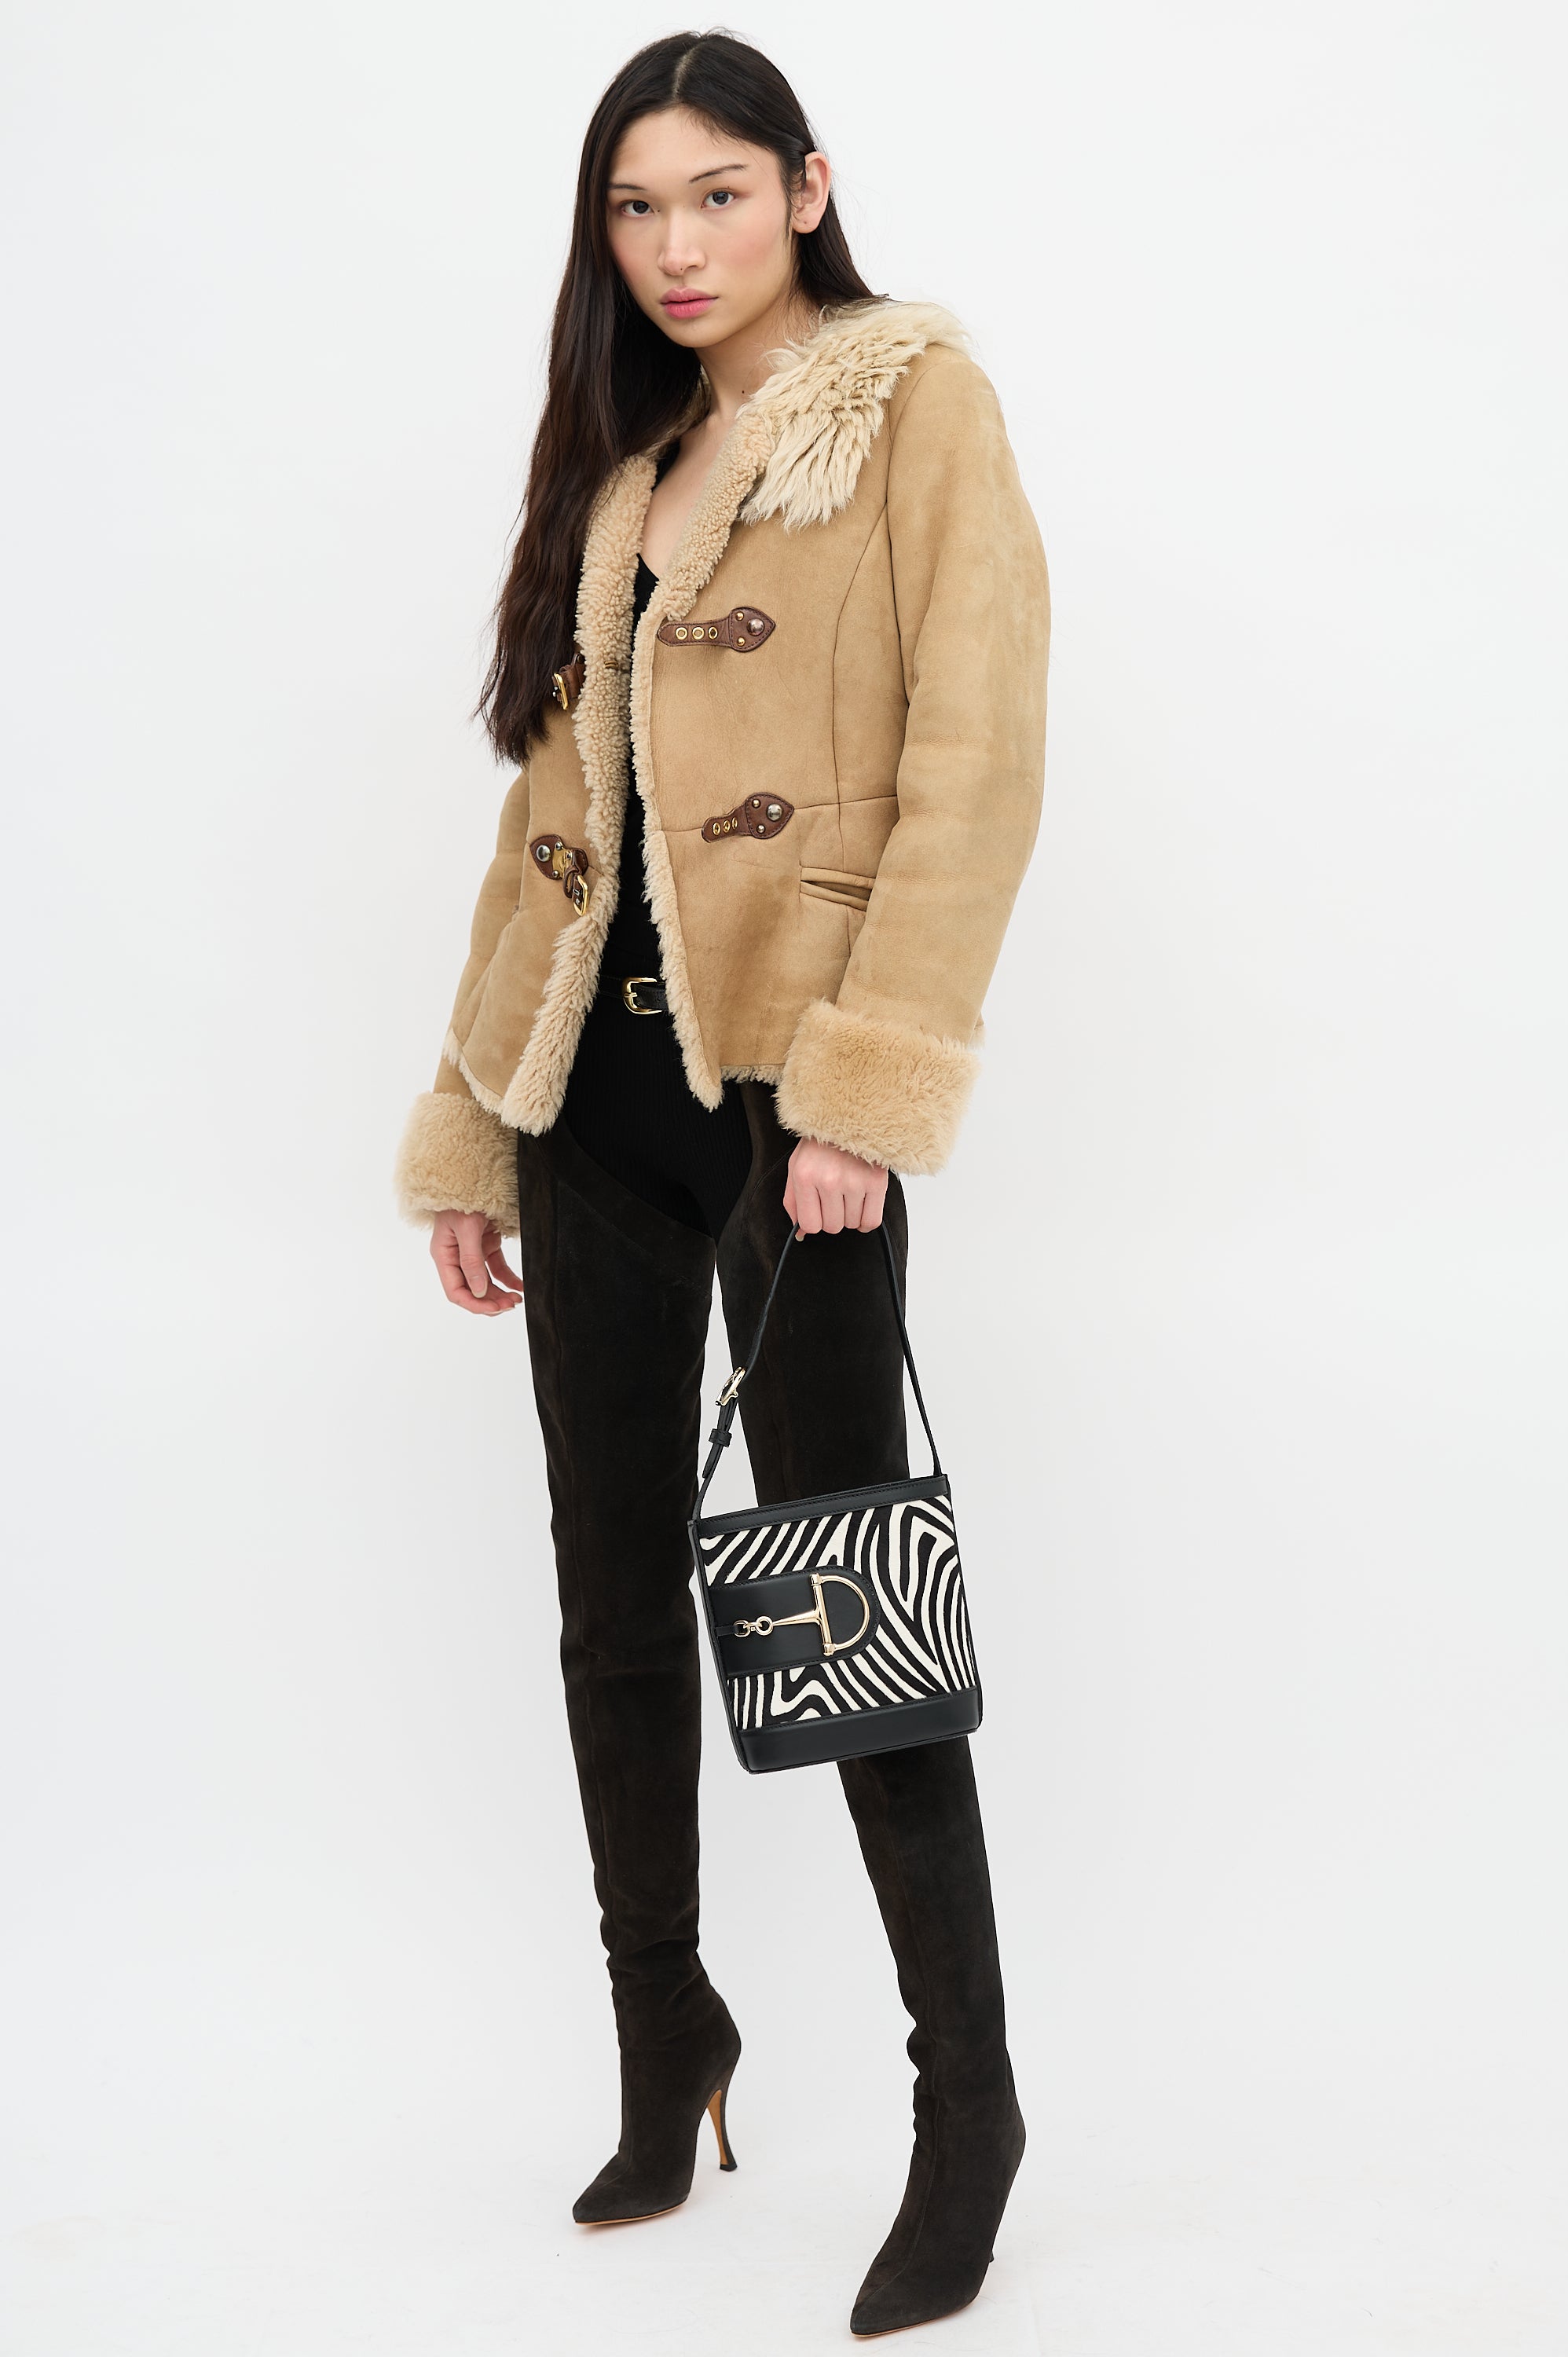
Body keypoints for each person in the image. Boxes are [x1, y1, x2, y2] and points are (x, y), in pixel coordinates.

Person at [394, 31, 1048, 2339]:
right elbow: (545, 832)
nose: (675, 247)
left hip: (797, 1107)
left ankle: (968, 2104)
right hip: (593, 1104)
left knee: (848, 1594)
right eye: (634, 207)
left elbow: (977, 763)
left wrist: (869, 1093)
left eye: (716, 195)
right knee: (608, 1596)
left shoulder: (915, 406)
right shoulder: (628, 456)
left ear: (807, 187)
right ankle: (664, 2030)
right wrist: (475, 1118)